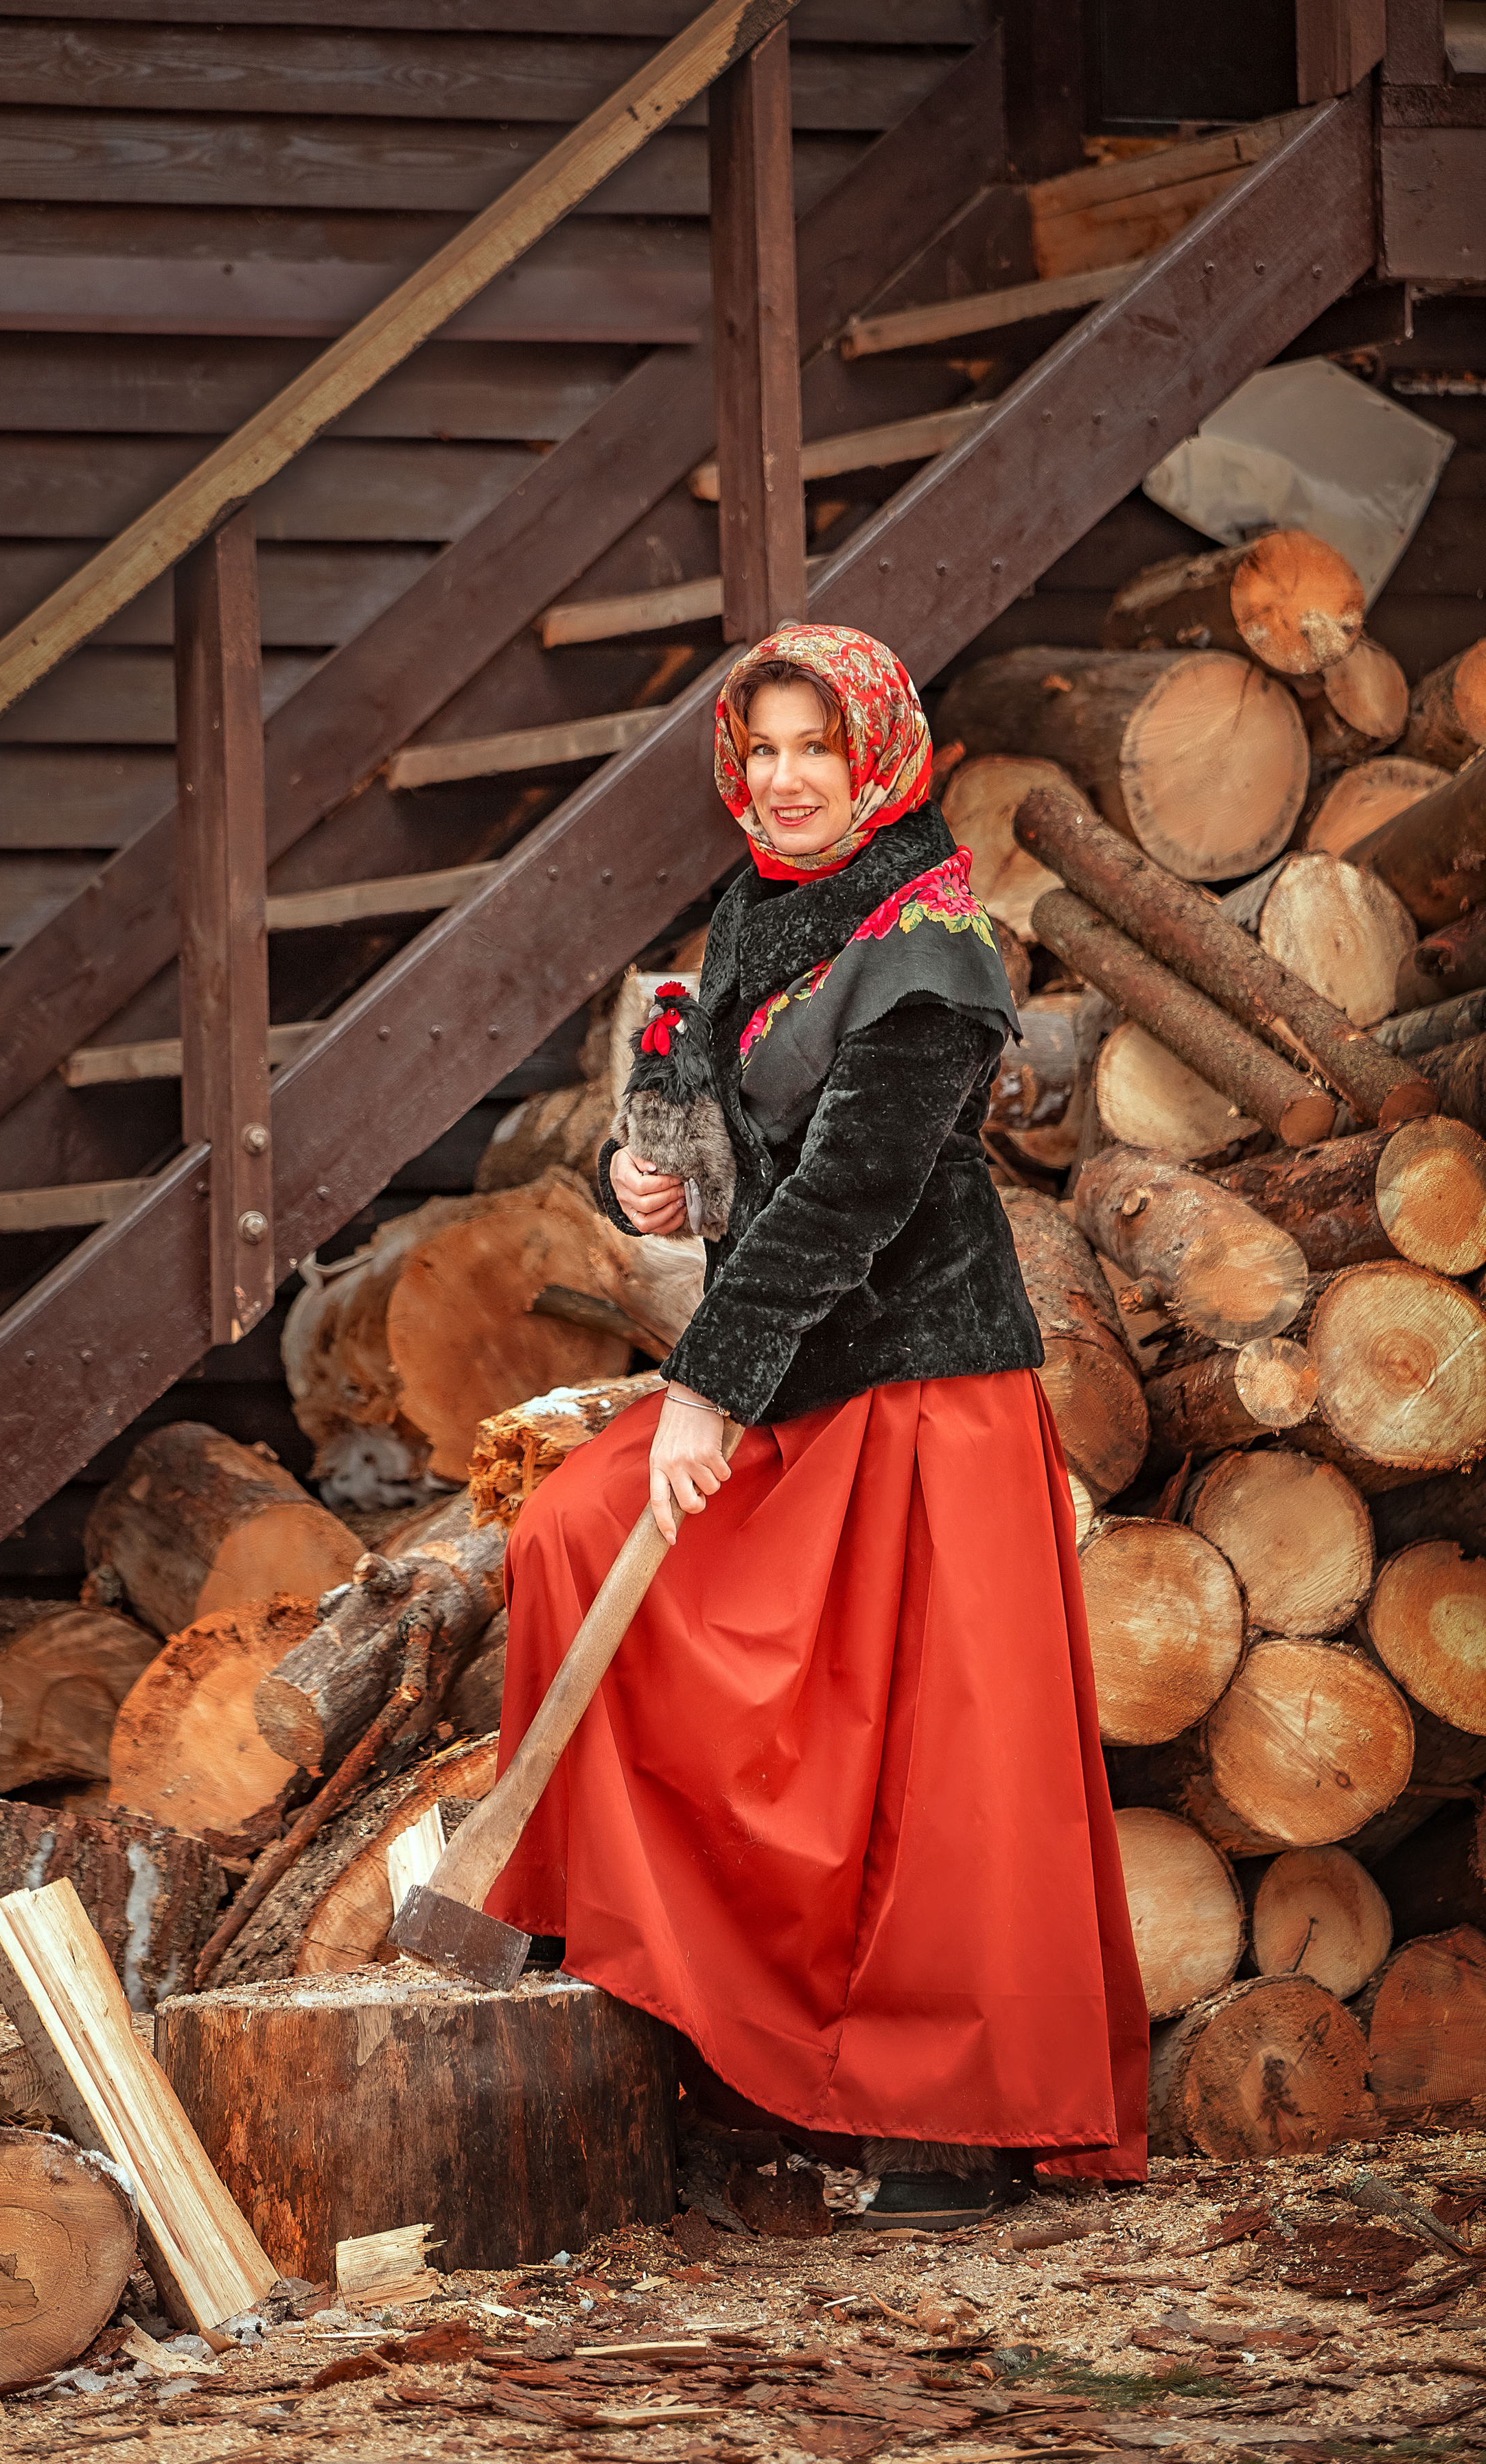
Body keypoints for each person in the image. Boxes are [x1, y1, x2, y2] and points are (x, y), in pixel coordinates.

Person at [485, 624, 1148, 2228]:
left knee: (926, 1753)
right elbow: (721, 1124)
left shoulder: (931, 950)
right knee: (566, 1533)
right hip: (793, 1369)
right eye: (761, 751)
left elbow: (852, 1192)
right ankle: (670, 2000)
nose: (784, 782)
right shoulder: (761, 911)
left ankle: (957, 2123)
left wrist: (704, 1383)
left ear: (878, 758)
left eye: (814, 751)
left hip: (918, 1386)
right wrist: (636, 1176)